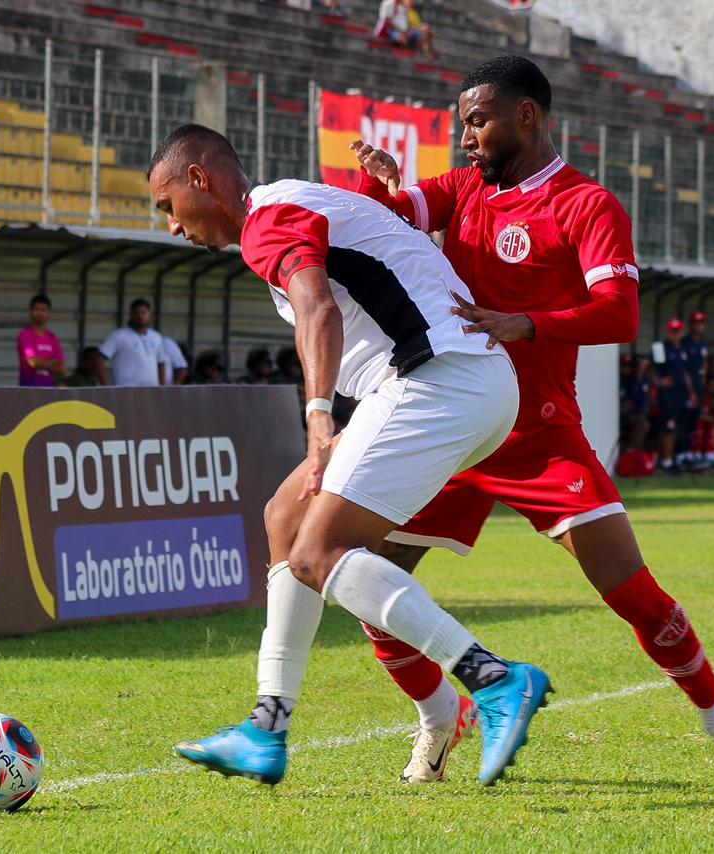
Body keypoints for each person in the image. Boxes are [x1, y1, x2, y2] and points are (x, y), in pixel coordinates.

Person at [349, 54, 714, 788]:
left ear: (527, 116)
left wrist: (528, 323)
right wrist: (376, 178)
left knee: (634, 594)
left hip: (537, 432)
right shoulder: (463, 191)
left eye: (478, 122)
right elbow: (390, 216)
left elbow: (619, 312)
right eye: (462, 125)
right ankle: (437, 718)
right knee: (366, 581)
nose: (466, 139)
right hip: (451, 425)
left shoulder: (588, 205)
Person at [148, 123, 550, 787]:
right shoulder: (290, 203)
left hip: (443, 377)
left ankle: (495, 680)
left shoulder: (265, 219)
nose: (171, 226)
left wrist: (318, 418)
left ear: (200, 179)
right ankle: (267, 727)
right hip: (455, 380)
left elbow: (319, 314)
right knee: (287, 519)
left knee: (319, 552)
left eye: (168, 207)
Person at [655, 318, 697, 474]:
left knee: (678, 427)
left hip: (681, 394)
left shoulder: (683, 349)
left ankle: (673, 458)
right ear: (668, 332)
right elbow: (650, 367)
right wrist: (660, 381)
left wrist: (691, 392)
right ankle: (665, 460)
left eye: (678, 332)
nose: (676, 335)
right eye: (673, 332)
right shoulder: (660, 348)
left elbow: (686, 373)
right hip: (667, 395)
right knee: (667, 427)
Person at [95, 299, 169, 387]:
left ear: (150, 315)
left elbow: (161, 363)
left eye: (143, 312)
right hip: (126, 390)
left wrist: (163, 387)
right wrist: (107, 386)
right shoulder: (119, 335)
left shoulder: (156, 337)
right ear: (131, 315)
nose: (140, 316)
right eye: (136, 312)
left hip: (152, 390)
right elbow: (99, 359)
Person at [681, 311, 710, 468]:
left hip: (698, 387)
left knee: (694, 421)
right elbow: (684, 370)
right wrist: (691, 391)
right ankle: (681, 454)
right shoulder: (686, 343)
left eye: (701, 323)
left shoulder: (702, 343)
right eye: (696, 323)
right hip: (688, 389)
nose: (699, 326)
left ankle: (690, 453)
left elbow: (704, 363)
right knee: (685, 421)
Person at [17, 294, 66, 387]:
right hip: (29, 390)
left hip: (49, 391)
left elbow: (62, 369)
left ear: (49, 313)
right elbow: (33, 362)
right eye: (36, 309)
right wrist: (52, 362)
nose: (39, 313)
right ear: (30, 311)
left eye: (43, 310)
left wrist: (41, 362)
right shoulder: (25, 335)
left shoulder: (52, 338)